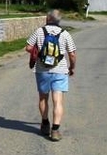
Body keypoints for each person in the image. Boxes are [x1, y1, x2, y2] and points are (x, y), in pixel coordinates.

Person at [25, 9, 77, 141]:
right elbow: (72, 54)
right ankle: (55, 130)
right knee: (57, 101)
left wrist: (39, 51)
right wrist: (72, 67)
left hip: (42, 70)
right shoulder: (65, 34)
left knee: (43, 98)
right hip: (60, 70)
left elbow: (28, 47)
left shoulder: (39, 31)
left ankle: (45, 124)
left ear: (48, 19)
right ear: (59, 21)